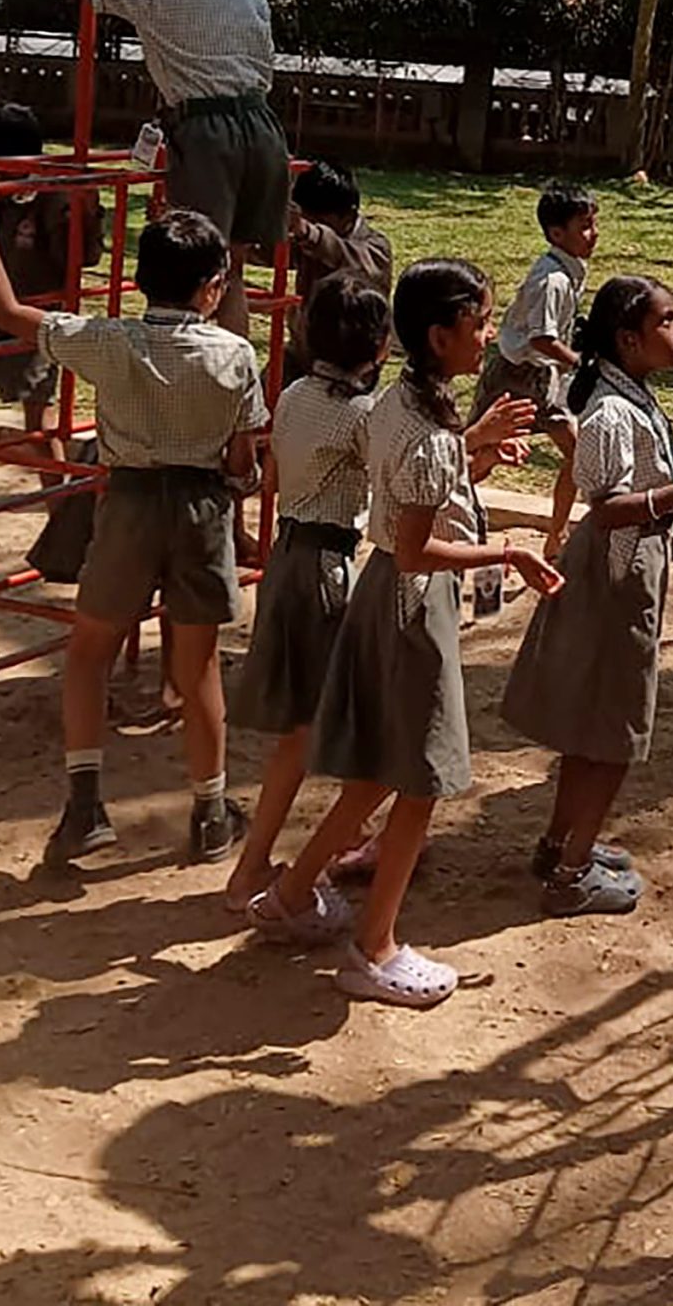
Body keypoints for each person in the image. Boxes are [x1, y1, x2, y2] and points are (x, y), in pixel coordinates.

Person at [246, 259, 555, 1006]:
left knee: (381, 772)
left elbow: (422, 491)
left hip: (389, 592)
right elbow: (416, 545)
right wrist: (510, 549)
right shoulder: (423, 429)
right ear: (438, 334)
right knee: (418, 780)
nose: (488, 335)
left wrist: (474, 447)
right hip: (413, 600)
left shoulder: (400, 403)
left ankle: (291, 893)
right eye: (478, 323)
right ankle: (374, 946)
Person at [0, 174, 268, 867]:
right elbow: (242, 456)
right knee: (198, 669)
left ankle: (85, 806)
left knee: (90, 654)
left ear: (138, 282)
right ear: (213, 286)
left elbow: (7, 310)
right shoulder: (234, 355)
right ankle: (212, 812)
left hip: (127, 501)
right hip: (201, 508)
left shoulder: (109, 342)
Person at [502, 276, 673, 916]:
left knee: (595, 726)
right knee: (613, 731)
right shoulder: (612, 413)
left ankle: (561, 843)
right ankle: (572, 874)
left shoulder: (632, 397)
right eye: (666, 321)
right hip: (616, 576)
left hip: (631, 568)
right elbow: (606, 509)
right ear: (628, 340)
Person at [9, 0, 289, 340]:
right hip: (264, 127)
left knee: (190, 269)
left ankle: (181, 380)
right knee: (228, 268)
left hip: (206, 132)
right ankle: (232, 384)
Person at [224, 270, 392, 914]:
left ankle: (339, 835)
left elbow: (270, 481)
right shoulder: (362, 414)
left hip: (287, 558)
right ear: (380, 348)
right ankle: (257, 871)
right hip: (326, 565)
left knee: (305, 722)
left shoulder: (293, 393)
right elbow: (406, 470)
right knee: (331, 721)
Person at [0, 101, 104, 438]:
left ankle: (57, 488)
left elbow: (84, 257)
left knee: (38, 425)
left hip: (33, 325)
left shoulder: (52, 196)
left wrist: (85, 216)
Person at [473, 181, 599, 559]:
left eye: (594, 223)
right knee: (478, 454)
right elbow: (542, 339)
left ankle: (555, 536)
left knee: (576, 452)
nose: (594, 235)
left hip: (545, 378)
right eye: (585, 227)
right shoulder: (553, 280)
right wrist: (581, 362)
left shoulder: (570, 269)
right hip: (515, 377)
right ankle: (440, 511)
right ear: (557, 234)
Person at [284, 159, 393, 380]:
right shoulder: (306, 241)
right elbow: (268, 252)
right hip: (302, 354)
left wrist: (310, 233)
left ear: (349, 216)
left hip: (351, 368)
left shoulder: (375, 248)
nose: (311, 228)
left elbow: (347, 258)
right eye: (307, 220)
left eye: (320, 222)